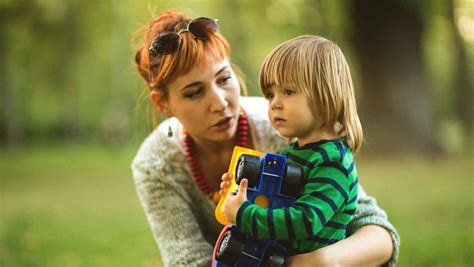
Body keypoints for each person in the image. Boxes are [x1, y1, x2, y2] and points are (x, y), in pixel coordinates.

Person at [131, 11, 399, 267]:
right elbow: (186, 261)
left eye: (224, 79)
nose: (220, 103)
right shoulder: (156, 165)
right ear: (163, 105)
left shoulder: (287, 128)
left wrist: (317, 261)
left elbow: (374, 231)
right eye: (194, 93)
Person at [220, 34, 364, 258]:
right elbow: (275, 206)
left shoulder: (332, 162)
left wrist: (244, 214)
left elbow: (305, 220)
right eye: (270, 94)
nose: (275, 103)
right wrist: (240, 195)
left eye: (288, 92)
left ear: (325, 94)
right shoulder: (292, 153)